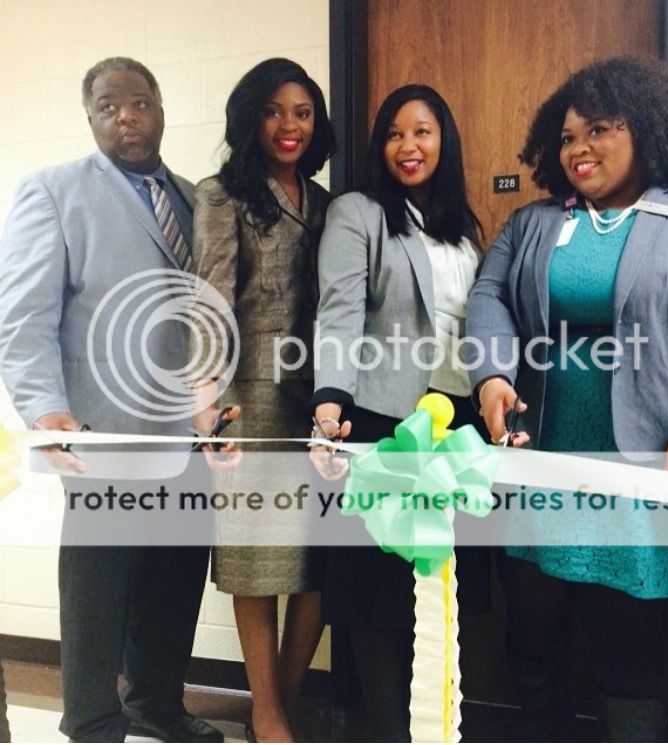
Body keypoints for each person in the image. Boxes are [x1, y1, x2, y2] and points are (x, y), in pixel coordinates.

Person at [467, 56, 668, 741]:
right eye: (566, 137)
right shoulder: (534, 222)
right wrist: (493, 374)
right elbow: (489, 296)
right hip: (546, 456)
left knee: (631, 637)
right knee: (534, 624)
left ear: (648, 127)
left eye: (597, 129)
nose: (578, 149)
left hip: (651, 459)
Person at [0, 57, 223, 742]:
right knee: (99, 589)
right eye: (106, 107)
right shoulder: (53, 190)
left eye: (137, 102)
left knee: (174, 579)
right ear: (91, 118)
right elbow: (22, 314)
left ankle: (155, 702)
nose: (124, 116)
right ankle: (93, 720)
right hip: (104, 428)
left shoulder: (192, 197)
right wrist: (44, 409)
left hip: (187, 430)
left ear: (159, 106)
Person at [312, 84, 488, 742]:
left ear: (445, 142)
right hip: (383, 420)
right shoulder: (360, 212)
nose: (407, 146)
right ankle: (387, 731)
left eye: (422, 132)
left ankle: (439, 727)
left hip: (457, 426)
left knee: (444, 584)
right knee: (379, 597)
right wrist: (330, 401)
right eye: (394, 133)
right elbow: (339, 309)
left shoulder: (462, 227)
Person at [191, 58, 336, 743]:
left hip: (326, 398)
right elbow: (210, 301)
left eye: (302, 112)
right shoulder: (222, 194)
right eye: (275, 111)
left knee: (320, 557)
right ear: (252, 115)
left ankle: (290, 689)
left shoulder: (329, 201)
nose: (289, 126)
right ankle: (266, 706)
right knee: (257, 554)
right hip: (249, 395)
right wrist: (206, 401)